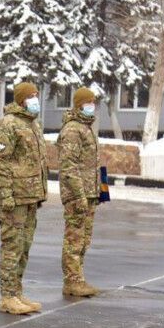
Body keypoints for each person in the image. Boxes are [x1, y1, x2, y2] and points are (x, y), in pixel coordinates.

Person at [0, 82, 48, 315]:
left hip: (31, 196)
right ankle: (7, 296)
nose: (35, 98)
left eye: (37, 94)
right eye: (31, 95)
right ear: (22, 99)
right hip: (14, 197)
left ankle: (17, 291)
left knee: (24, 246)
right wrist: (6, 195)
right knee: (12, 246)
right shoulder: (9, 124)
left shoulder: (33, 124)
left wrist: (40, 193)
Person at [58, 87, 101, 297]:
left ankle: (79, 278)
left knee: (84, 239)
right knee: (74, 239)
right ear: (78, 104)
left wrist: (102, 191)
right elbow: (69, 166)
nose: (92, 105)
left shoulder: (87, 128)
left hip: (90, 193)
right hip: (78, 195)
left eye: (93, 102)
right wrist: (78, 195)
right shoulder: (73, 130)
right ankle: (72, 281)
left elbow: (95, 164)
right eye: (88, 102)